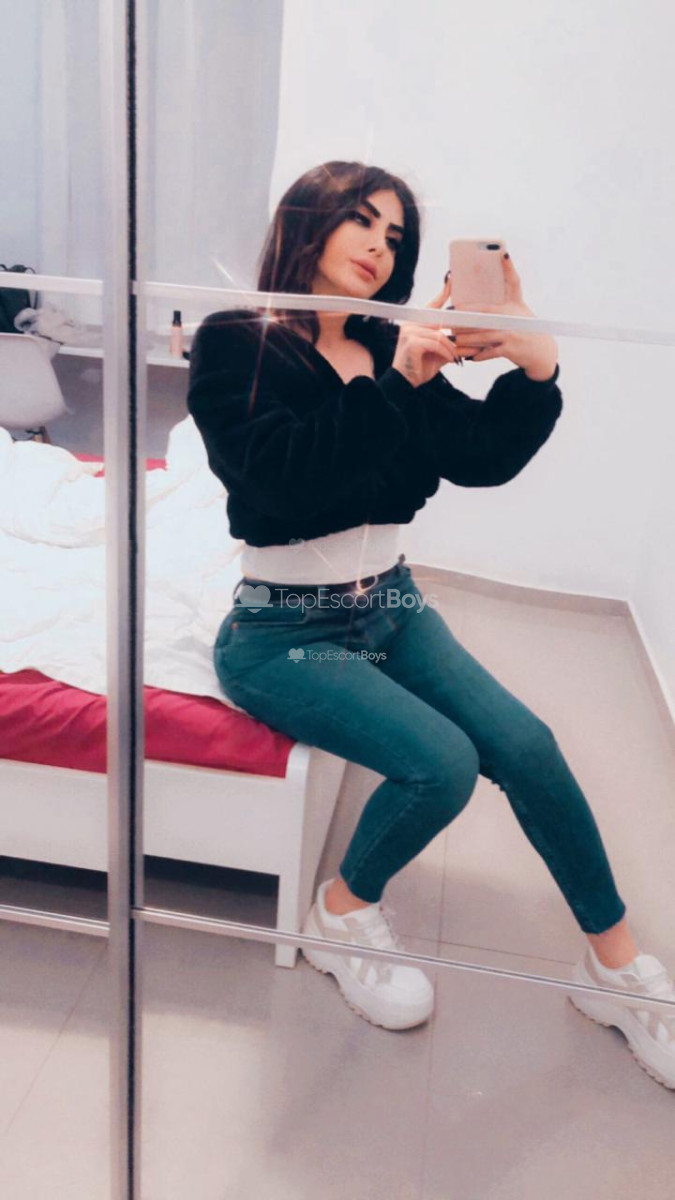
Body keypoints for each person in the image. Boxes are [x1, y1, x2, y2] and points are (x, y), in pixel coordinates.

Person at [187, 161, 675, 1085]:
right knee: (441, 763)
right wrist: (397, 383)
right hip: (279, 631)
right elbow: (278, 480)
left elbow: (481, 457)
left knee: (525, 745)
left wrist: (536, 364)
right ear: (309, 221)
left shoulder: (387, 341)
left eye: (396, 237)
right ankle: (341, 913)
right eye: (361, 221)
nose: (379, 246)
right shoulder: (238, 340)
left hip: (391, 604)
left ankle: (612, 968)